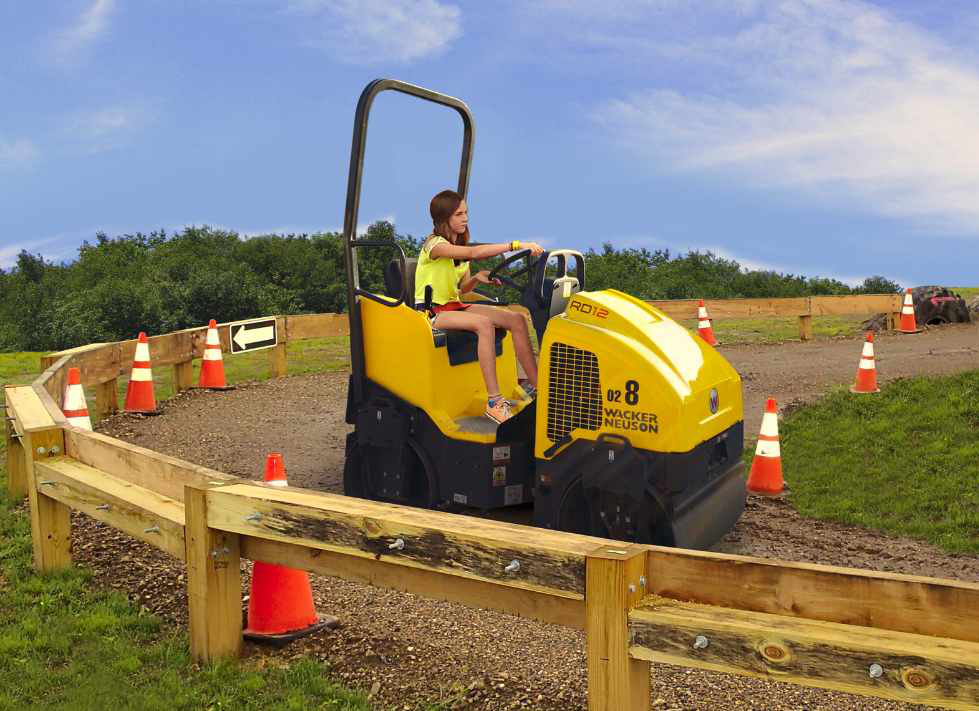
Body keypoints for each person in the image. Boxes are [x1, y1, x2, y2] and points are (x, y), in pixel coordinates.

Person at [415, 189, 544, 424]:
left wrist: (476, 278)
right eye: (459, 214)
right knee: (484, 324)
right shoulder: (434, 245)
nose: (465, 218)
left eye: (466, 213)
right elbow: (474, 252)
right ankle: (495, 402)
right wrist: (515, 245)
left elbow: (462, 289)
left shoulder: (458, 248)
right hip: (432, 311)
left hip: (454, 305)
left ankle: (539, 389)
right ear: (444, 217)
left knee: (516, 319)